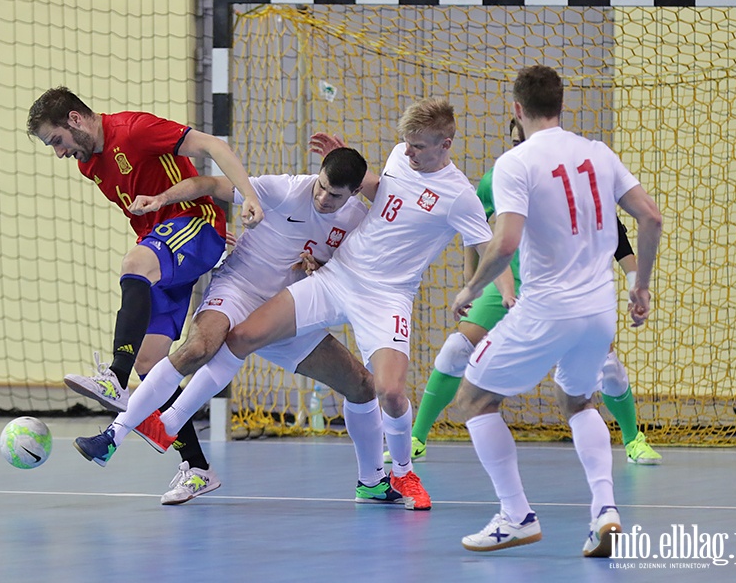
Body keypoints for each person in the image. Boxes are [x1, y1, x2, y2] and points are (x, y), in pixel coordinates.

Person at [210, 98, 514, 511]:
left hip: (387, 297)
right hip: (340, 275)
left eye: (419, 147)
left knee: (389, 391)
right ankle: (165, 424)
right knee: (244, 333)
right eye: (405, 143)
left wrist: (501, 292)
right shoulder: (399, 156)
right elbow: (382, 191)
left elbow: (490, 246)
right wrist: (352, 170)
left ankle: (403, 471)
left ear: (446, 143)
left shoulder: (459, 197)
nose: (407, 151)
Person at [74, 148, 411, 507]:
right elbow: (207, 183)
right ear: (318, 175)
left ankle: (372, 482)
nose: (324, 199)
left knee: (361, 385)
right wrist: (161, 198)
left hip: (285, 313)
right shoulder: (286, 189)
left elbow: (342, 265)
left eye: (335, 195)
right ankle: (115, 434)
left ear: (355, 193)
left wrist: (319, 267)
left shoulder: (357, 221)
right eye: (322, 187)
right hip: (237, 289)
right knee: (201, 347)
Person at [452, 65, 662, 556]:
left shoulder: (515, 163)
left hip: (547, 310)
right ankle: (605, 511)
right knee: (579, 402)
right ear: (561, 105)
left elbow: (504, 243)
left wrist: (471, 287)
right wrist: (642, 286)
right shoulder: (598, 153)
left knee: (474, 401)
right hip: (599, 312)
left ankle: (517, 515)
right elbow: (650, 216)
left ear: (517, 109)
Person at [26, 87, 264, 497]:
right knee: (152, 362)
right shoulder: (89, 166)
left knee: (134, 263)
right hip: (169, 245)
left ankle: (114, 379)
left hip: (195, 223)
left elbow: (211, 145)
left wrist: (250, 197)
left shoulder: (134, 130)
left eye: (57, 141)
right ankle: (197, 467)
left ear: (76, 120)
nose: (59, 153)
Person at [398, 119, 662, 465]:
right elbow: (476, 231)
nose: (520, 143)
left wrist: (634, 282)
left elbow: (618, 230)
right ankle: (415, 439)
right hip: (507, 280)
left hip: (557, 288)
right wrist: (472, 283)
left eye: (523, 137)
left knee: (608, 368)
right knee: (454, 351)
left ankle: (633, 439)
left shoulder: (574, 176)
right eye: (514, 139)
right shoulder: (500, 176)